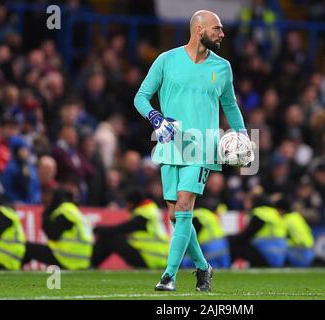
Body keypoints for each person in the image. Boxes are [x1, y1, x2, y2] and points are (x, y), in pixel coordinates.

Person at [134, 10, 251, 291]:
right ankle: (203, 268)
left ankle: (169, 276)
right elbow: (140, 97)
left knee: (185, 206)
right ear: (199, 30)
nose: (222, 34)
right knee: (176, 216)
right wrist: (155, 118)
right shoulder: (166, 60)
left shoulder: (222, 68)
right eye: (217, 29)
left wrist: (244, 136)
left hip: (202, 147)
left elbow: (230, 106)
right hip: (170, 145)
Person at [91, 188, 169, 269]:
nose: (126, 206)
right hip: (159, 258)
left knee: (110, 238)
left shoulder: (143, 216)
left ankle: (92, 265)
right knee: (114, 236)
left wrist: (98, 229)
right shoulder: (150, 210)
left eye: (127, 203)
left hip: (150, 259)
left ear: (132, 203)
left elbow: (120, 229)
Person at [23, 186, 94, 270]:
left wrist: (46, 214)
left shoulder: (64, 212)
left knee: (28, 247)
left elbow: (53, 235)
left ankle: (15, 271)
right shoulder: (75, 212)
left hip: (66, 258)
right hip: (83, 260)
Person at [228, 188, 287, 267]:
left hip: (268, 256)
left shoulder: (260, 214)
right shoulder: (273, 213)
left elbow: (245, 236)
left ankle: (226, 266)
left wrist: (229, 238)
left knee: (235, 243)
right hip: (280, 257)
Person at [181, 198, 231, 269]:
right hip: (224, 257)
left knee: (184, 261)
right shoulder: (210, 216)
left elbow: (190, 240)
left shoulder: (197, 215)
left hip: (209, 254)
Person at [274, 195, 315, 267]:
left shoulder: (285, 220)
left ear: (281, 210)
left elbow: (279, 238)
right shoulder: (297, 217)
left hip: (299, 253)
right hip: (310, 253)